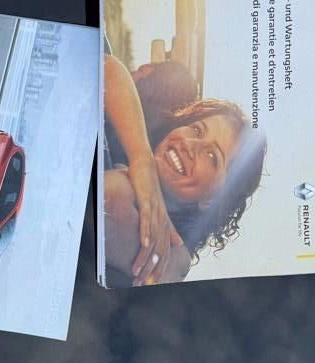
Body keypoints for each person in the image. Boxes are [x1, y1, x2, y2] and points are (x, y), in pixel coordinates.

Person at [102, 54, 267, 287]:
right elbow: (104, 66)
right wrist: (141, 158)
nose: (190, 145)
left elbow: (108, 202)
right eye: (197, 130)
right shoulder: (141, 132)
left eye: (212, 157)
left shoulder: (174, 254)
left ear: (212, 201)